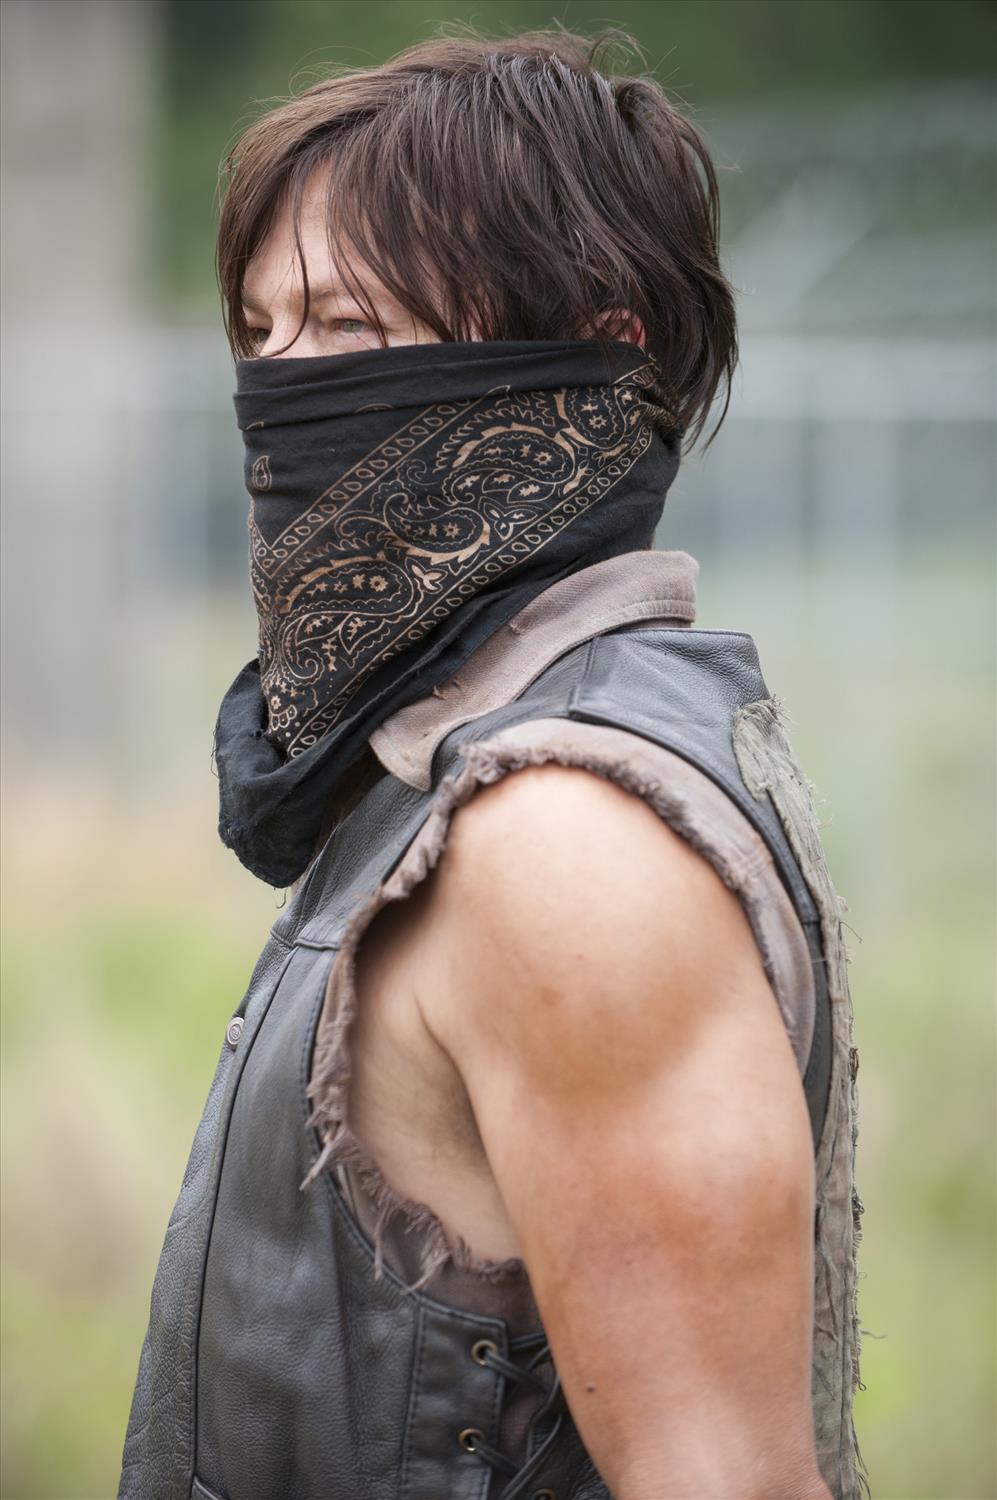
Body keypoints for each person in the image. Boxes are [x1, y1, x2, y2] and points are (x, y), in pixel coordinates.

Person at [118, 29, 866, 1500]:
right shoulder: (430, 758)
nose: (277, 393)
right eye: (260, 333)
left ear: (586, 357)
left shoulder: (564, 836)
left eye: (346, 325)